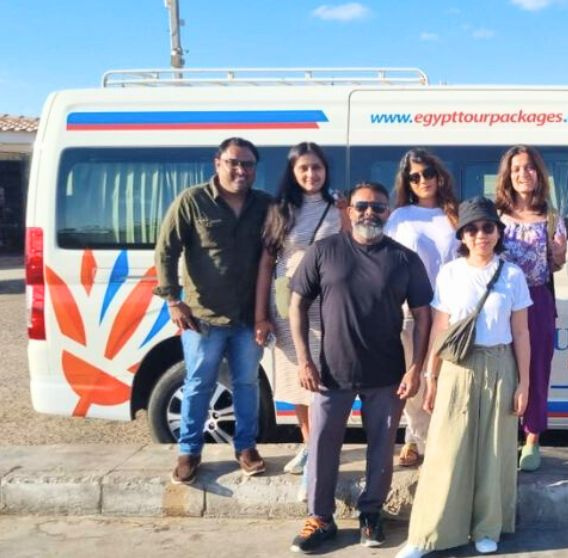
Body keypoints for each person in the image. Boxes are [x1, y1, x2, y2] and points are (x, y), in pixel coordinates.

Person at [288, 182, 433, 553]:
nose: (370, 213)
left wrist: (415, 367)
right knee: (322, 445)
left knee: (381, 447)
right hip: (330, 372)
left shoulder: (404, 259)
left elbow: (422, 314)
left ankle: (371, 513)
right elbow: (297, 305)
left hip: (386, 373)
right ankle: (320, 518)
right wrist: (304, 358)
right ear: (349, 210)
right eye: (362, 205)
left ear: (388, 212)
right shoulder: (324, 251)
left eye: (379, 207)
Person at [395, 197, 532, 558]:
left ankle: (488, 528)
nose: (481, 235)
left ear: (498, 232)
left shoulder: (513, 275)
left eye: (488, 227)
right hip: (457, 367)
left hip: (500, 364)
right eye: (472, 229)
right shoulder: (450, 273)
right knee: (446, 450)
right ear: (463, 236)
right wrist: (432, 377)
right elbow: (441, 327)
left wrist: (525, 383)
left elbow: (521, 333)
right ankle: (427, 534)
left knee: (494, 450)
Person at [154, 137, 272, 485]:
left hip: (249, 316)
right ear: (217, 163)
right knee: (198, 384)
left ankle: (246, 447)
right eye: (234, 162)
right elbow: (165, 251)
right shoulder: (192, 201)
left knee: (247, 384)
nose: (241, 170)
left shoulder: (264, 205)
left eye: (248, 164)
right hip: (202, 317)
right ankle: (189, 451)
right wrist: (173, 301)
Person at [252, 143, 343, 489]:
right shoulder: (280, 210)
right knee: (296, 376)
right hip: (287, 303)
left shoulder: (338, 209)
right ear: (292, 172)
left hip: (328, 303)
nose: (310, 174)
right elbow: (265, 265)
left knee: (325, 377)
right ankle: (309, 443)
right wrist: (261, 315)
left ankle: (322, 445)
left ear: (325, 170)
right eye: (303, 168)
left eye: (316, 167)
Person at [493, 145, 567, 472]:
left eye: (529, 167)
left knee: (536, 371)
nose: (523, 174)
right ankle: (502, 437)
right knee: (501, 371)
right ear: (508, 176)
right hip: (501, 303)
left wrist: (558, 253)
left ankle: (532, 439)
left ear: (539, 173)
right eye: (516, 169)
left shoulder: (551, 217)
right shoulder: (495, 216)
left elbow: (557, 264)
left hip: (537, 301)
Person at [385, 148, 460, 468]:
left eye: (427, 173)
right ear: (407, 183)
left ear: (439, 174)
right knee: (414, 377)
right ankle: (414, 438)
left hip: (452, 310)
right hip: (412, 310)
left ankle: (444, 438)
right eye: (414, 177)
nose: (422, 180)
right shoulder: (400, 217)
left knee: (444, 377)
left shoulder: (455, 213)